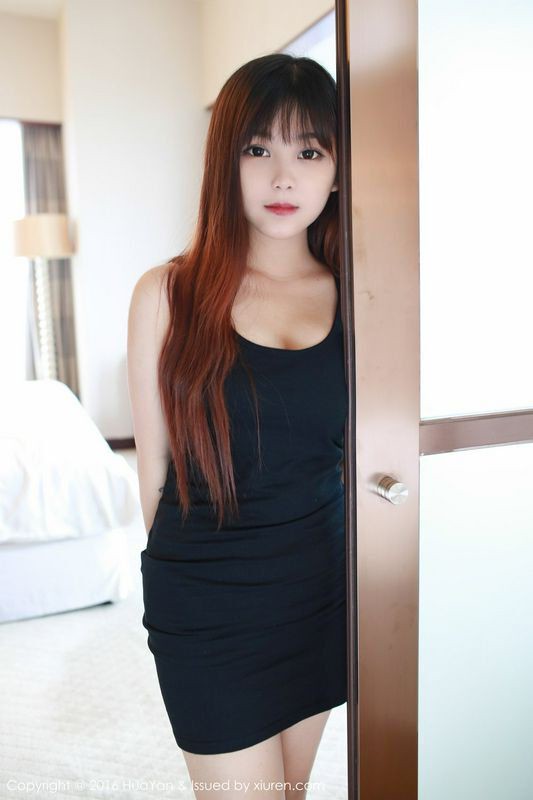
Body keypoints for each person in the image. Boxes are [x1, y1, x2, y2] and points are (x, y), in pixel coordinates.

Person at [127, 53, 348, 800]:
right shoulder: (167, 293)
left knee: (291, 792)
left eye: (308, 152)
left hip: (318, 594)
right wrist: (183, 592)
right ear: (225, 161)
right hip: (208, 605)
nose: (283, 178)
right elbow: (153, 472)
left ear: (336, 171)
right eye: (257, 149)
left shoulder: (359, 296)